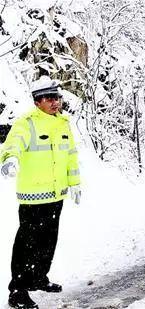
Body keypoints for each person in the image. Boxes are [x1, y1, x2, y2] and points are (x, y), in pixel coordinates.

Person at [0, 75, 81, 309]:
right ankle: (17, 290)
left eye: (57, 97)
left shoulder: (63, 123)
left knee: (48, 240)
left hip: (56, 194)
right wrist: (11, 159)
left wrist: (74, 183)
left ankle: (38, 277)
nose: (55, 102)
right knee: (28, 242)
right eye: (49, 98)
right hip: (33, 196)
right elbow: (13, 144)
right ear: (37, 102)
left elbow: (71, 156)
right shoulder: (27, 122)